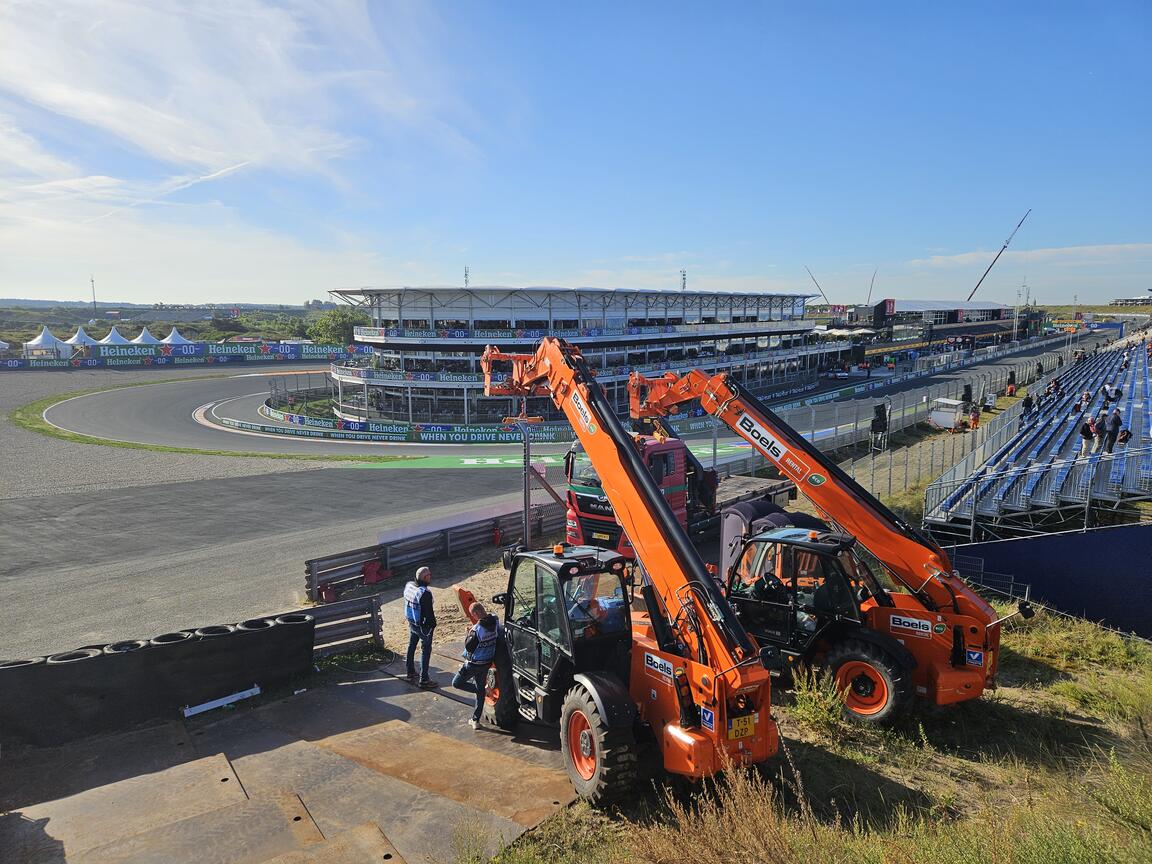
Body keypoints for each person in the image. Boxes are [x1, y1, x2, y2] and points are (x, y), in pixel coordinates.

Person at [452, 602, 501, 728]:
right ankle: (475, 720)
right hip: (487, 663)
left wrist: (467, 634)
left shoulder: (476, 630)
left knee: (456, 683)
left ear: (476, 614)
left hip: (473, 665)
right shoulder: (495, 621)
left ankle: (482, 690)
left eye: (473, 615)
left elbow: (469, 648)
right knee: (479, 685)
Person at [403, 566, 439, 688]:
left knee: (412, 645)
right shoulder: (424, 593)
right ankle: (424, 679)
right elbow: (429, 612)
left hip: (412, 621)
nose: (431, 576)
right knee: (426, 651)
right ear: (425, 577)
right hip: (423, 626)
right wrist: (432, 625)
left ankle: (410, 671)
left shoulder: (409, 586)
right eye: (429, 575)